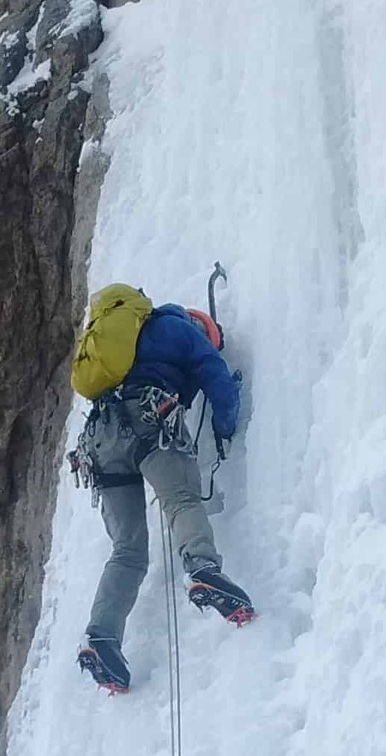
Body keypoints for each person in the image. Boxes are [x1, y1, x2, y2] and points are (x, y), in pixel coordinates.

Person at [74, 293, 254, 692]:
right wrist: (227, 427)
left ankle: (101, 637)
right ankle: (203, 569)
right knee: (182, 501)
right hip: (148, 419)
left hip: (99, 441)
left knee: (128, 550)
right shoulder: (179, 329)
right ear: (202, 327)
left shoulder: (117, 344)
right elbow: (216, 377)